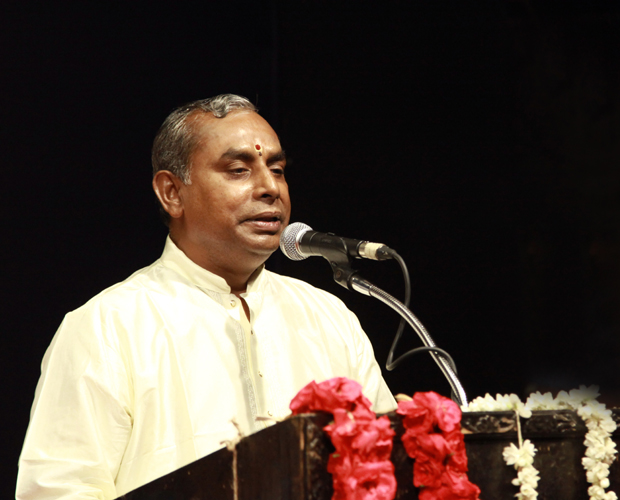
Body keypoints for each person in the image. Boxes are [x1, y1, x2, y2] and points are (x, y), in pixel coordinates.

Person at [17, 94, 396, 500]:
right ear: (172, 193)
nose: (270, 188)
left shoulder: (328, 317)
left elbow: (386, 466)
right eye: (238, 170)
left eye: (277, 169)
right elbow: (59, 491)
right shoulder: (108, 327)